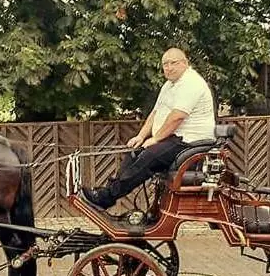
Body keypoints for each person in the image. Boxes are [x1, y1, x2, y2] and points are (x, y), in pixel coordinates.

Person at [82, 47, 215, 210]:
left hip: (191, 141)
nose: (169, 67)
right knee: (134, 153)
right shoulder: (169, 85)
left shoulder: (191, 83)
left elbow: (177, 117)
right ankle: (108, 195)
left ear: (185, 63)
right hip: (175, 138)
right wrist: (141, 136)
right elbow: (156, 112)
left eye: (173, 63)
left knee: (149, 156)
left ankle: (106, 196)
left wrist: (156, 139)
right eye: (165, 64)